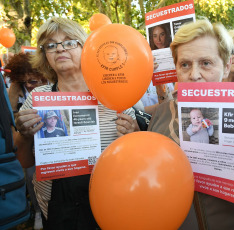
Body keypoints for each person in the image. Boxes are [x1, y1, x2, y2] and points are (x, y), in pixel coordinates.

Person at [148, 19, 234, 230]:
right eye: (185, 64)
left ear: (226, 67)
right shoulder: (161, 114)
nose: (194, 75)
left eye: (206, 63)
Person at [14, 17, 137, 230]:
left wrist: (134, 133)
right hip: (60, 207)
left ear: (85, 48)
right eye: (51, 45)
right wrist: (24, 134)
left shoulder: (112, 94)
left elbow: (137, 155)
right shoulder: (37, 98)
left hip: (113, 199)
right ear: (45, 56)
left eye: (69, 42)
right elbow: (24, 161)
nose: (60, 49)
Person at [4, 52, 47, 230]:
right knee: (30, 175)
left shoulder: (50, 89)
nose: (28, 85)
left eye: (33, 81)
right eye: (24, 81)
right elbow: (9, 120)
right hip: (26, 143)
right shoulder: (17, 90)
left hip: (47, 143)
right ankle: (37, 210)